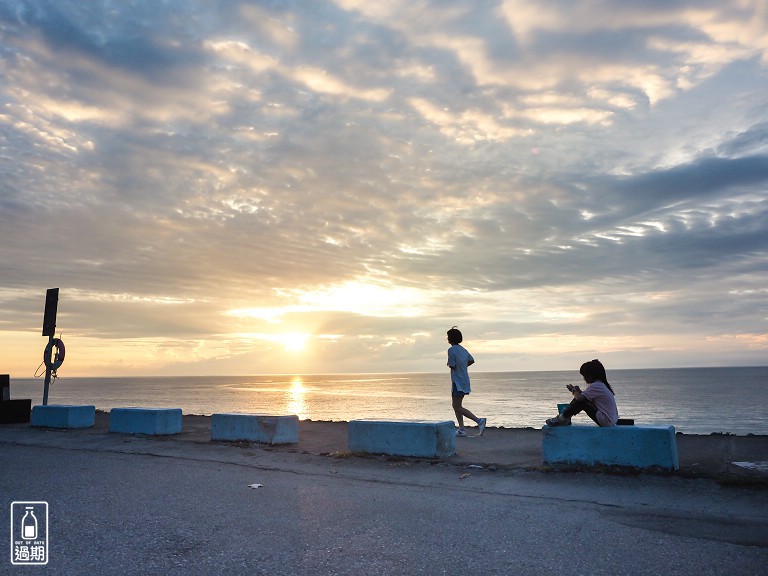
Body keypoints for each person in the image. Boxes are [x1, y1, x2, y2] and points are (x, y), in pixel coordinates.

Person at [546, 359, 618, 427]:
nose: (584, 378)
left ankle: (562, 418)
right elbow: (587, 399)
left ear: (590, 376)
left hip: (606, 421)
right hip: (609, 420)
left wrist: (574, 391)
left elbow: (579, 399)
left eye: (584, 376)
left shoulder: (597, 385)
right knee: (581, 399)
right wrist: (579, 392)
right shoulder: (601, 384)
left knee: (581, 402)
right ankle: (565, 418)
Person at [446, 326, 487, 437]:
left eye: (448, 337)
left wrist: (454, 365)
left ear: (451, 338)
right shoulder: (463, 350)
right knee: (457, 405)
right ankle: (461, 428)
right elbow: (471, 360)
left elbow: (452, 365)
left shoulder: (451, 350)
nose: (447, 339)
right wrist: (463, 366)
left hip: (457, 382)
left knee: (457, 406)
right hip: (464, 380)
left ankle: (479, 421)